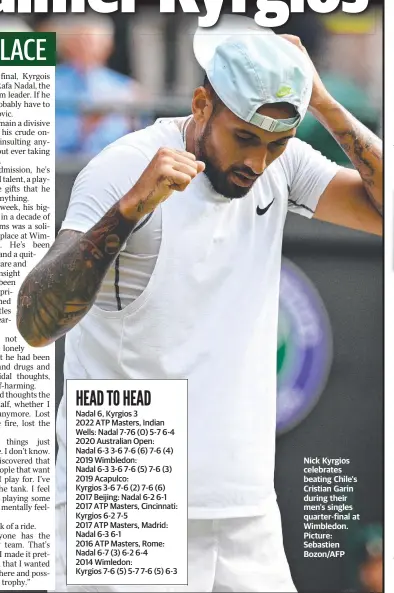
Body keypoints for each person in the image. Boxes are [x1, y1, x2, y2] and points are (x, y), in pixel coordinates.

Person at [17, 15, 382, 593]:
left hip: (245, 507)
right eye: (245, 139)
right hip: (130, 497)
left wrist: (325, 105)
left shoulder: (279, 163)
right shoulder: (121, 166)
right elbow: (35, 322)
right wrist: (130, 209)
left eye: (274, 145)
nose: (257, 163)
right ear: (201, 104)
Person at [41, 14, 147, 156]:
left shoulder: (126, 87)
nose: (86, 47)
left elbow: (141, 136)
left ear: (108, 46)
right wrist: (85, 127)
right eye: (80, 41)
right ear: (67, 45)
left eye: (92, 41)